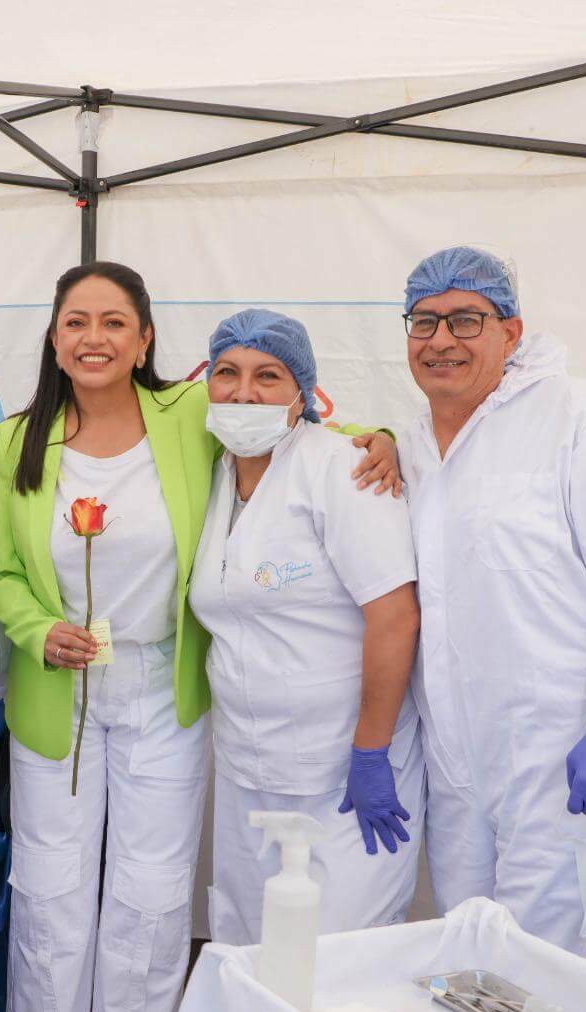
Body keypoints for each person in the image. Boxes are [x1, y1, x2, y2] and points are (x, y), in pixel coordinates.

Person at [0, 263, 404, 1012]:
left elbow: (293, 419)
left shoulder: (188, 414)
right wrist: (36, 629)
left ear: (145, 338)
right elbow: (4, 575)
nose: (94, 338)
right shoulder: (16, 438)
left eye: (114, 321)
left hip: (159, 692)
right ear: (53, 337)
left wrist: (386, 436)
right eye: (75, 321)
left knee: (151, 888)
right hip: (60, 693)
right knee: (51, 886)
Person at [396, 245, 586, 977]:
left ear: (511, 331)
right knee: (471, 974)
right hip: (456, 769)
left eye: (466, 320)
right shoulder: (410, 445)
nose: (441, 339)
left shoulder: (570, 415)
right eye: (424, 321)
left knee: (562, 982)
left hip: (559, 758)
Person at [188, 308, 424, 947]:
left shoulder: (342, 469)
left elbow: (395, 616)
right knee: (248, 946)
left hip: (344, 777)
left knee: (337, 957)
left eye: (267, 376)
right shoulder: (214, 477)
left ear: (303, 393)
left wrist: (370, 752)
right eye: (227, 373)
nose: (244, 393)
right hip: (248, 771)